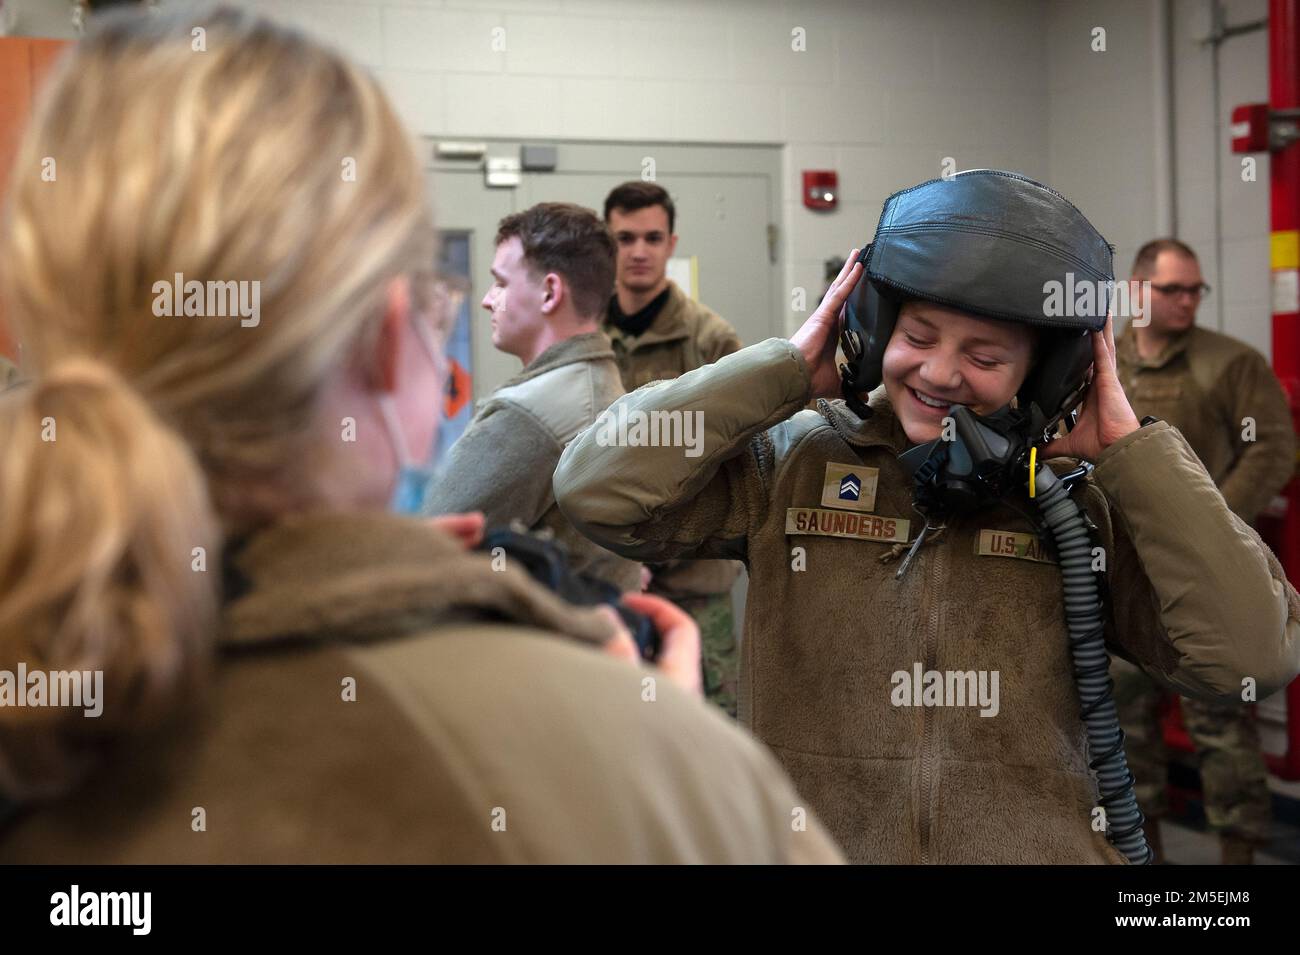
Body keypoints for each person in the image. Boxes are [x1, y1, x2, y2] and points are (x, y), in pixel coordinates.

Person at [0, 7, 842, 864]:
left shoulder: (52, 687)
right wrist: (660, 773)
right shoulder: (656, 777)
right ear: (397, 342)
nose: (479, 301)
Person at [556, 170, 1300, 864]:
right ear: (876, 330)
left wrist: (1133, 456)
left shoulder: (1080, 500)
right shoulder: (795, 460)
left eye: (983, 354)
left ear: (1044, 373)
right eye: (916, 338)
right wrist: (782, 371)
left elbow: (1253, 656)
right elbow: (596, 487)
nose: (941, 372)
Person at [1111, 238, 1298, 864]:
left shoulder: (1231, 364)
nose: (1188, 301)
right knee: (1125, 733)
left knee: (1222, 729)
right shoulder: (1108, 361)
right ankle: (1149, 872)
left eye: (1196, 290)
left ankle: (1236, 876)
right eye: (1173, 290)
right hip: (1121, 577)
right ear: (1138, 290)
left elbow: (1274, 448)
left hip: (1205, 579)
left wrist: (1212, 526)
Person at [422, 202, 640, 592]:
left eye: (502, 283)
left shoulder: (532, 415)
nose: (489, 299)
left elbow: (421, 543)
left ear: (549, 292)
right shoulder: (596, 381)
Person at [602, 180, 745, 715]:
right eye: (625, 238)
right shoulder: (587, 339)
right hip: (607, 579)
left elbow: (732, 460)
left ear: (671, 242)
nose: (639, 251)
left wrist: (657, 543)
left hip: (692, 576)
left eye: (652, 238)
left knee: (706, 724)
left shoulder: (710, 341)